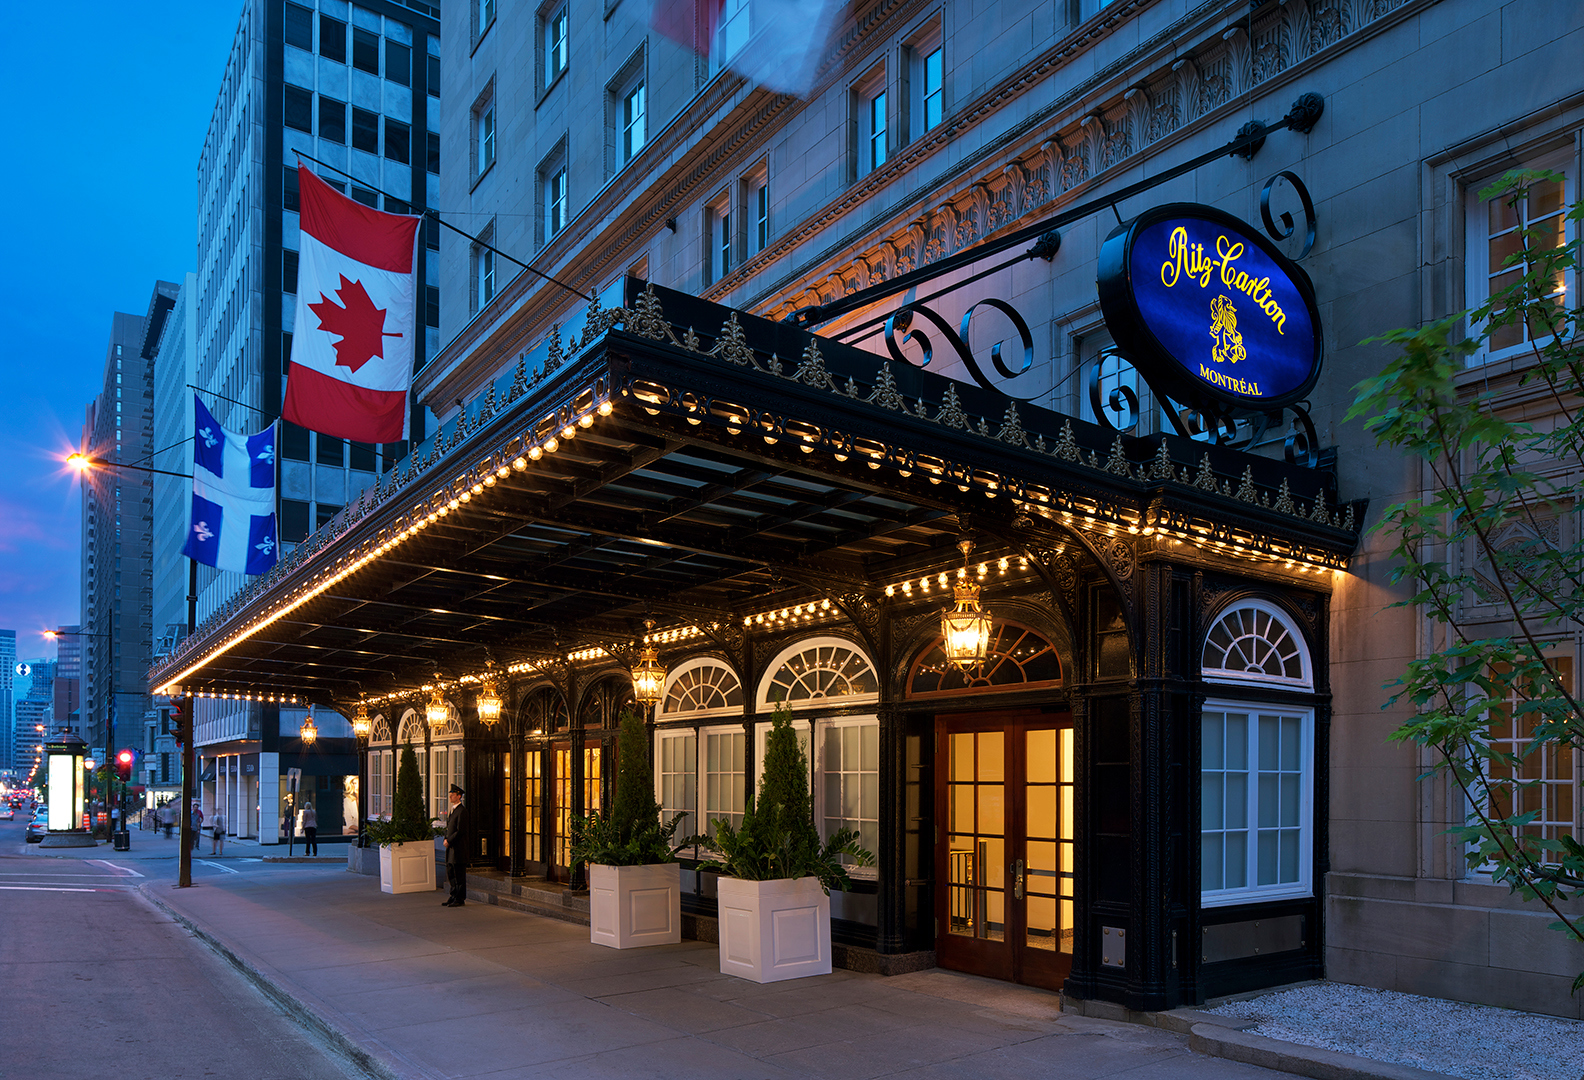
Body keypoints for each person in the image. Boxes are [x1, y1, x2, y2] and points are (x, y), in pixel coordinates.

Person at [442, 784, 466, 907]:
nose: (450, 796)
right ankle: (453, 895)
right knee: (451, 871)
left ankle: (459, 898)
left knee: (458, 872)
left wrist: (449, 840)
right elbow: (449, 828)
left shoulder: (462, 811)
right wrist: (445, 838)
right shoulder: (453, 810)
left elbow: (460, 830)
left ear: (459, 796)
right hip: (450, 846)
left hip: (457, 847)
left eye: (453, 794)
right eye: (450, 794)